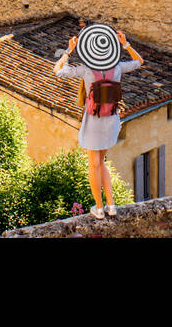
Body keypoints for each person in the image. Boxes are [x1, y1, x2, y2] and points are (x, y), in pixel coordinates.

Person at [53, 23, 143, 218]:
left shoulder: (86, 70)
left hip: (94, 122)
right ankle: (111, 206)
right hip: (111, 120)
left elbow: (58, 70)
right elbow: (139, 61)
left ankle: (99, 208)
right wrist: (126, 44)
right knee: (101, 162)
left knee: (93, 164)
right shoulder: (117, 67)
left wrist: (69, 50)